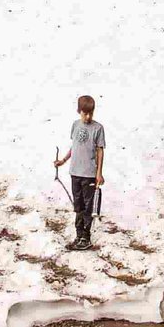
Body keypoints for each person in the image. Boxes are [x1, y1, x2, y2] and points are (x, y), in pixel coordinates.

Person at [54, 95, 107, 250]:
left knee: (88, 206)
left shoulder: (98, 128)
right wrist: (63, 161)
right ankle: (79, 236)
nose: (89, 116)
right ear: (79, 111)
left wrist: (99, 173)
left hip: (89, 174)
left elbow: (100, 151)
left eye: (91, 113)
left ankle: (86, 236)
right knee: (78, 206)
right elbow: (75, 147)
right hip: (75, 172)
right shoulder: (75, 125)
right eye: (85, 113)